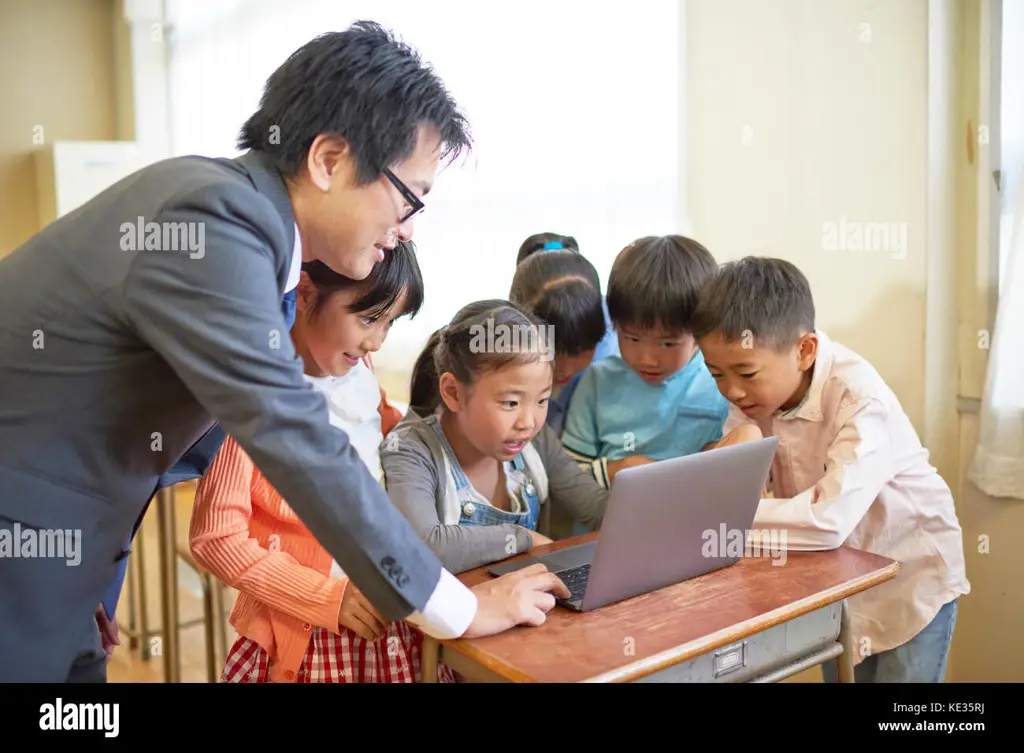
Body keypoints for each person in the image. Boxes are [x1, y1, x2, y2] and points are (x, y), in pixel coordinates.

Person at [0, 21, 568, 683]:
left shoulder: (255, 244)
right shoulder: (209, 221)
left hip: (63, 555)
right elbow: (293, 432)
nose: (408, 228)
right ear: (328, 159)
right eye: (409, 198)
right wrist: (455, 608)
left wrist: (88, 573)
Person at [690, 256, 971, 682]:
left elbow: (825, 521)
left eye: (745, 372)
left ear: (804, 351)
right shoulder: (749, 398)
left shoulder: (859, 399)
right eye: (716, 374)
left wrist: (722, 519)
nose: (731, 389)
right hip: (836, 579)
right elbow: (736, 480)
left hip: (910, 574)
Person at [190, 243, 452, 683]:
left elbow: (383, 454)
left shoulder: (360, 367)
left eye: (389, 323)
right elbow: (214, 538)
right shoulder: (251, 398)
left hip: (385, 617)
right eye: (369, 319)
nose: (376, 341)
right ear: (307, 291)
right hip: (308, 636)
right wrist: (325, 597)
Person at [384, 299, 610, 576]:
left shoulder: (533, 443)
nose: (528, 423)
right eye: (510, 403)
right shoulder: (411, 450)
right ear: (454, 393)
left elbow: (593, 506)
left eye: (542, 399)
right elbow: (422, 548)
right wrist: (521, 538)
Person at [560, 235, 761, 492]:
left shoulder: (720, 382)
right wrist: (615, 471)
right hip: (610, 521)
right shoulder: (599, 381)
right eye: (631, 338)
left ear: (701, 335)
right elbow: (566, 474)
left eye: (668, 344)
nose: (648, 359)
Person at [509, 248, 619, 436]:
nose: (564, 369)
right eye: (551, 351)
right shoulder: (496, 362)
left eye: (578, 350)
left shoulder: (615, 352)